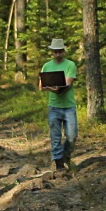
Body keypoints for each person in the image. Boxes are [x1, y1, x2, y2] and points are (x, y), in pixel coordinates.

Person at [39, 38, 78, 171]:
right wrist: (51, 88)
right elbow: (41, 86)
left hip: (68, 107)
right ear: (52, 52)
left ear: (64, 51)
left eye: (60, 51)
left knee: (72, 136)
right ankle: (59, 164)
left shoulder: (70, 65)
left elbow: (68, 83)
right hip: (54, 107)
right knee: (55, 137)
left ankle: (66, 155)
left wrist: (59, 88)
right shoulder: (47, 66)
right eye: (55, 52)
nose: (58, 54)